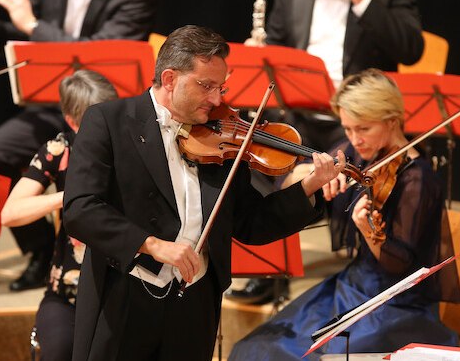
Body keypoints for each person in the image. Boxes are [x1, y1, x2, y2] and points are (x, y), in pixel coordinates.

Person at [62, 24, 345, 361]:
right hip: (123, 298)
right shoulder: (108, 121)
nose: (217, 99)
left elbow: (250, 222)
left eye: (221, 87)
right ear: (169, 79)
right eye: (206, 86)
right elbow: (81, 209)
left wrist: (309, 186)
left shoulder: (223, 137)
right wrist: (153, 245)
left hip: (193, 305)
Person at [230, 0, 426, 304]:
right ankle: (270, 271)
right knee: (254, 160)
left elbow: (411, 50)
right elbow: (280, 45)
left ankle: (356, 277)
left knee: (329, 169)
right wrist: (261, 54)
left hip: (352, 122)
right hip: (296, 113)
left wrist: (363, 0)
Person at [0, 0, 158, 292]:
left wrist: (28, 22)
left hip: (102, 109)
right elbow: (36, 42)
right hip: (52, 103)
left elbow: (95, 55)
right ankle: (40, 253)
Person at [229, 69, 460, 359]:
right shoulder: (356, 151)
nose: (355, 139)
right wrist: (310, 175)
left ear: (392, 121)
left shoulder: (417, 179)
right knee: (254, 350)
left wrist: (368, 231)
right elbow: (283, 185)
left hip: (395, 305)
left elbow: (400, 268)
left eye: (363, 129)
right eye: (348, 129)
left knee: (328, 356)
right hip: (351, 287)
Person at [0, 70, 118, 361]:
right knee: (60, 351)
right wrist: (68, 197)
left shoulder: (131, 143)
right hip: (67, 293)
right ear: (71, 121)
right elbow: (10, 213)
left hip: (121, 290)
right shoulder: (59, 149)